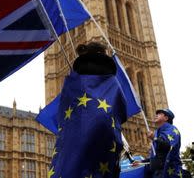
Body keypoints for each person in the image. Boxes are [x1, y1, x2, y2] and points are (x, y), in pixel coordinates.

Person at [48, 42, 125, 178]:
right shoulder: (112, 80)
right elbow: (122, 110)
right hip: (106, 134)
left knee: (72, 166)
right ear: (102, 54)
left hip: (75, 135)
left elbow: (62, 110)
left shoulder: (73, 80)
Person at [133, 108, 182, 178]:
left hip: (169, 172)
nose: (156, 115)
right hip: (157, 173)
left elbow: (168, 146)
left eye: (159, 114)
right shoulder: (157, 132)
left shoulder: (172, 130)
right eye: (156, 114)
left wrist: (154, 138)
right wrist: (141, 162)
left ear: (166, 118)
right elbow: (156, 156)